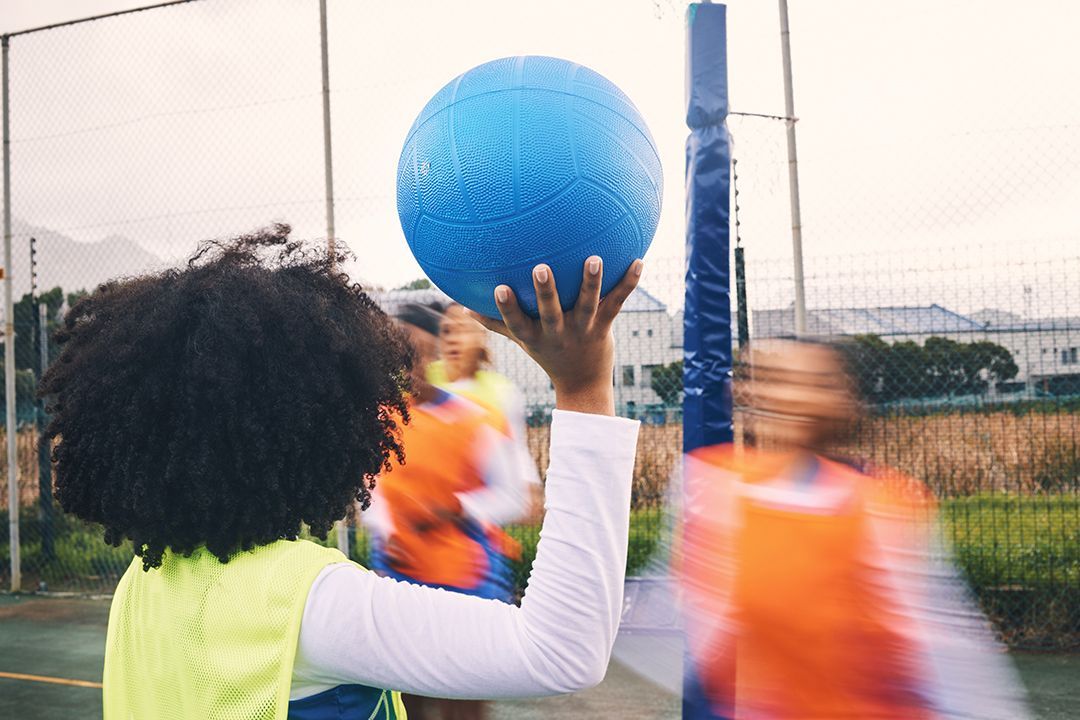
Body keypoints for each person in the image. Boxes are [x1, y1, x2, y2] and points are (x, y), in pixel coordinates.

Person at [40, 225, 643, 719]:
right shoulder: (311, 606)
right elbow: (561, 652)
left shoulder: (137, 593)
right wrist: (584, 383)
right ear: (308, 429)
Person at [678, 339, 1031, 720]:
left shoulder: (883, 506)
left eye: (812, 383)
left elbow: (948, 657)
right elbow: (683, 629)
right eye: (771, 378)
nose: (788, 395)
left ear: (839, 402)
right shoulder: (715, 487)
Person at [363, 303, 529, 720]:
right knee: (407, 703)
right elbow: (371, 492)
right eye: (399, 351)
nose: (408, 362)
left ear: (437, 352)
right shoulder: (383, 419)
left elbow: (514, 497)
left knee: (462, 705)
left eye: (417, 349)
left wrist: (452, 509)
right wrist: (388, 534)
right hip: (400, 575)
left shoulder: (476, 419)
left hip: (465, 580)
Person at [429, 302, 543, 521]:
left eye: (462, 330)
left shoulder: (501, 392)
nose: (452, 338)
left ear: (481, 338)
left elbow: (515, 452)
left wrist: (529, 482)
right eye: (447, 330)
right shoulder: (423, 384)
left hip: (472, 520)